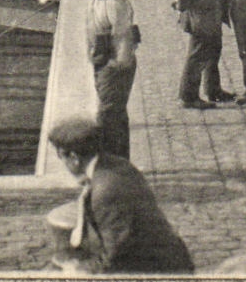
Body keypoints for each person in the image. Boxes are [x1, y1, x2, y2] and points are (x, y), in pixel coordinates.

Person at [47, 116, 194, 274]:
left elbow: (116, 258)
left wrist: (79, 269)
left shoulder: (105, 191)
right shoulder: (116, 164)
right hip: (167, 258)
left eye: (61, 156)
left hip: (155, 270)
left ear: (74, 158)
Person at [72, 0, 139, 159]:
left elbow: (123, 37)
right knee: (115, 116)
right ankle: (120, 160)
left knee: (108, 116)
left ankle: (112, 162)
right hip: (102, 63)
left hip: (114, 65)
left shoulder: (115, 0)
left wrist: (116, 66)